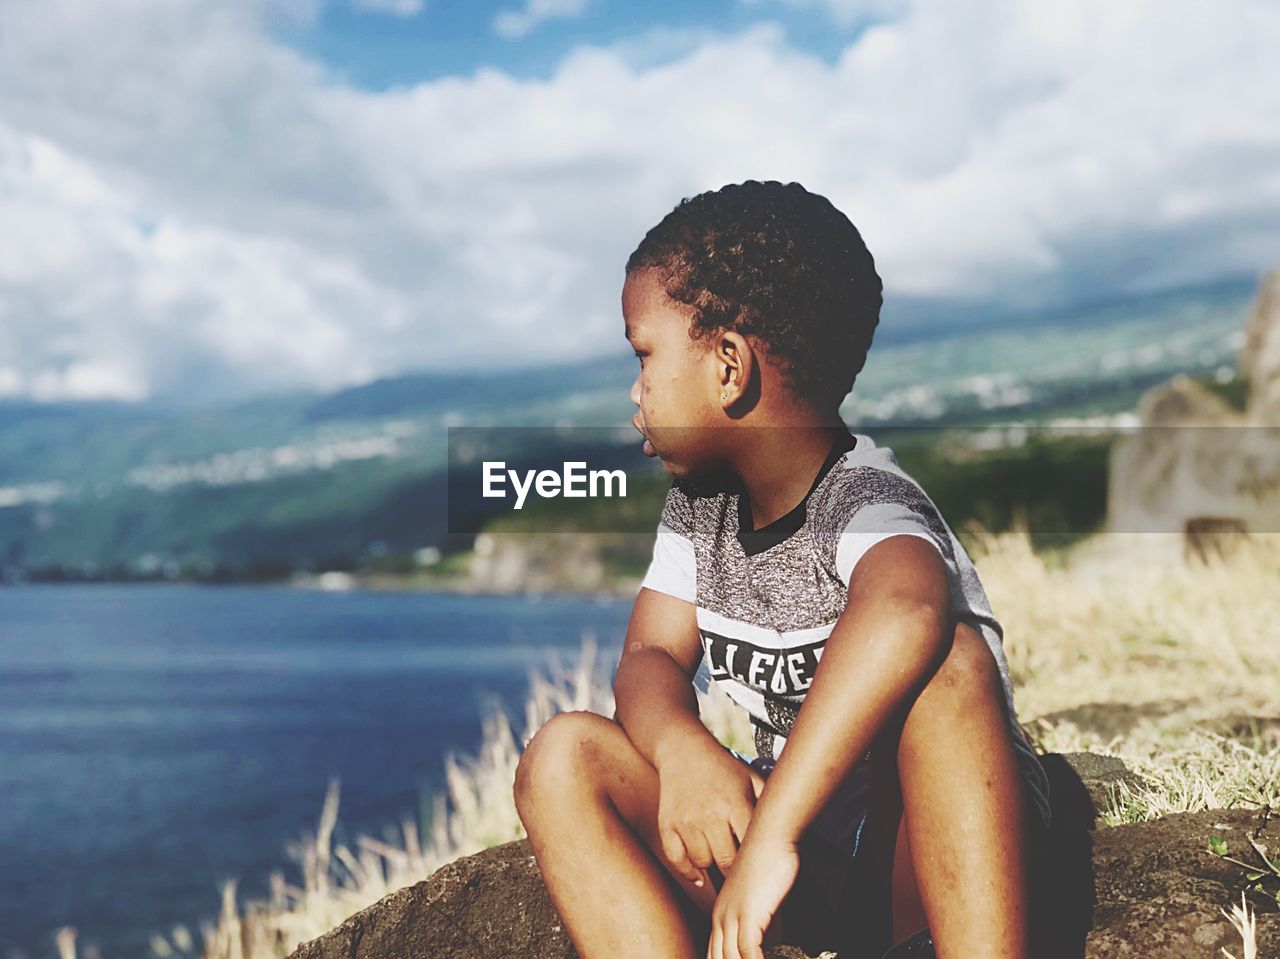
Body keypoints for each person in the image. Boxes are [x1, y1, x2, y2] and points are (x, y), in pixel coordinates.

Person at [513, 180, 1053, 959]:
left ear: (729, 367)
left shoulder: (865, 499)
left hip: (930, 859)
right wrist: (682, 752)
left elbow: (906, 609)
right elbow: (650, 657)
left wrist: (773, 833)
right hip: (803, 852)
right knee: (562, 757)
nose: (635, 394)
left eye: (645, 356)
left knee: (946, 664)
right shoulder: (698, 509)